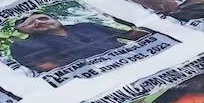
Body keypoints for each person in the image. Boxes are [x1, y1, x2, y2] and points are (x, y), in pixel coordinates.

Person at [9, 13, 148, 72]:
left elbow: (132, 35)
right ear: (23, 32)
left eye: (43, 18)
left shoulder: (86, 26)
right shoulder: (21, 46)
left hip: (138, 62)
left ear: (57, 20)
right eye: (29, 23)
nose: (38, 22)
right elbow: (49, 68)